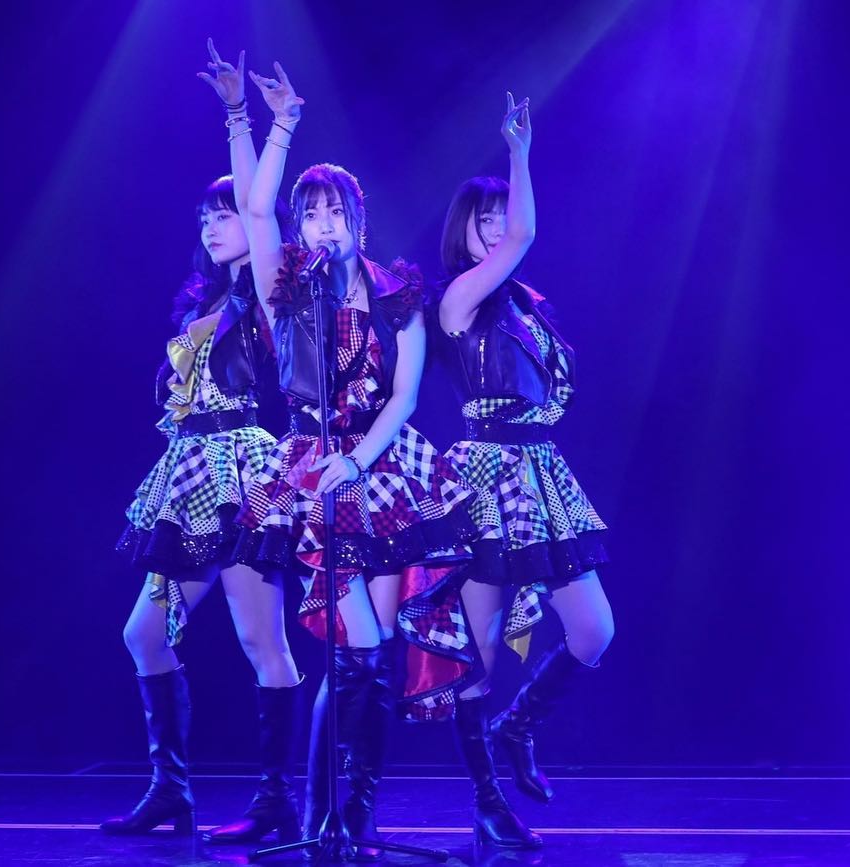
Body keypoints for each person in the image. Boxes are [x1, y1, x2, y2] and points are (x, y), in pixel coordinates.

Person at [234, 60, 478, 859]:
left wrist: (360, 459)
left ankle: (353, 815)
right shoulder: (285, 288)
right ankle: (320, 820)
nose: (320, 224)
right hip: (310, 472)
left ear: (358, 219)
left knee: (371, 660)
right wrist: (275, 123)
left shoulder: (397, 295)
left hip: (382, 470)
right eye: (311, 213)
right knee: (355, 650)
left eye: (333, 211)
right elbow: (254, 207)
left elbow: (405, 395)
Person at [101, 40, 301, 844]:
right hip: (189, 473)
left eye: (227, 214)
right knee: (144, 633)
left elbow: (260, 205)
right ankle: (171, 790)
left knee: (261, 638)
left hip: (246, 471)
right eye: (207, 218)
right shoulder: (200, 304)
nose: (217, 226)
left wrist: (245, 118)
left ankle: (277, 799)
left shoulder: (268, 293)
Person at [431, 93, 615, 848]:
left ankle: (518, 727)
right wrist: (519, 152)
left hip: (542, 474)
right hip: (486, 478)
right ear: (464, 232)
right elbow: (527, 233)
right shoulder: (459, 299)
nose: (500, 228)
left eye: (502, 217)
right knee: (476, 655)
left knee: (594, 631)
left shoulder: (525, 307)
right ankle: (486, 800)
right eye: (486, 220)